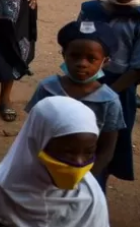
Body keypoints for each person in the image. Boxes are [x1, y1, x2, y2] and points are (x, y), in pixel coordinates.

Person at [0, 96, 112, 227]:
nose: (78, 162)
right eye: (68, 152)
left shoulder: (91, 197)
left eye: (89, 152)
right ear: (39, 142)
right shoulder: (8, 185)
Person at [26, 21, 124, 191]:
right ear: (64, 55)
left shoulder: (109, 101)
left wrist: (85, 178)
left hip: (86, 173)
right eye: (75, 56)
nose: (82, 63)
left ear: (105, 61)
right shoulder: (48, 88)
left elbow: (107, 148)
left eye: (91, 59)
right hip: (45, 167)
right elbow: (32, 131)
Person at [78, 0, 140, 187]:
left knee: (108, 145)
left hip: (119, 90)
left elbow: (137, 69)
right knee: (79, 137)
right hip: (85, 81)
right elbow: (76, 45)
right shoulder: (91, 10)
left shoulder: (138, 18)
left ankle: (95, 195)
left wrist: (104, 95)